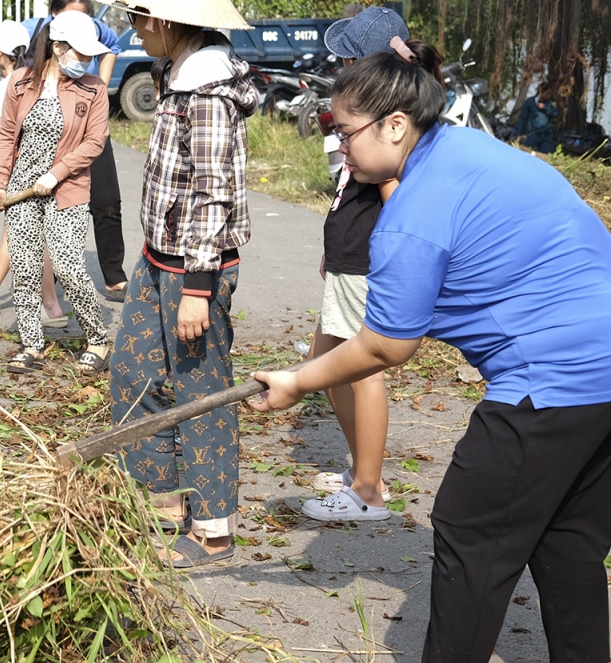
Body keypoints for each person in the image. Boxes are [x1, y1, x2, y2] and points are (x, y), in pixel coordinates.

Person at [250, 42, 611, 661]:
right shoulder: (475, 151)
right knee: (567, 541)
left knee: (471, 535)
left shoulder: (411, 215)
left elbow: (387, 345)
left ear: (395, 125)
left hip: (546, 385)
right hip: (601, 379)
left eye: (344, 131)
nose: (338, 145)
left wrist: (299, 382)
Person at [92, 0, 258, 568]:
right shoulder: (177, 74)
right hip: (158, 259)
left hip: (195, 269)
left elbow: (215, 192)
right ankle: (164, 497)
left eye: (137, 19)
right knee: (135, 371)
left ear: (161, 21)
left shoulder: (209, 92)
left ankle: (213, 528)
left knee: (199, 390)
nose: (134, 29)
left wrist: (197, 287)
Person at [300, 7, 418, 522]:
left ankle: (368, 490)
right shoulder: (370, 109)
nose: (340, 64)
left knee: (363, 371)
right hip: (347, 257)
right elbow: (347, 187)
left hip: (366, 263)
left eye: (347, 56)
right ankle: (361, 471)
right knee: (326, 368)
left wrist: (394, 261)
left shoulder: (388, 120)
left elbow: (398, 197)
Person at [0, 10, 112, 374]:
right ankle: (32, 345)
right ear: (57, 47)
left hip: (68, 188)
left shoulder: (94, 89)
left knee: (68, 266)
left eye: (90, 55)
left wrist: (55, 175)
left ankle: (98, 340)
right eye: (81, 53)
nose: (87, 61)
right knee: (24, 268)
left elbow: (94, 142)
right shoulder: (20, 83)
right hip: (21, 188)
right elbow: (8, 136)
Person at [24, 0, 129, 301]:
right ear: (54, 16)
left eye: (84, 18)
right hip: (51, 132)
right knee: (50, 206)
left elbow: (112, 48)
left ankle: (114, 277)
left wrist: (100, 87)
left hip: (89, 128)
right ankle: (45, 282)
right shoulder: (34, 32)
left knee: (106, 200)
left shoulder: (96, 29)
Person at [0, 20, 68, 330]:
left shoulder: (11, 84)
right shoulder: (39, 80)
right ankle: (2, 294)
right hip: (47, 172)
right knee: (32, 236)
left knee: (21, 236)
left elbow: (6, 141)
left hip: (22, 173)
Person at [514, 80, 560, 153]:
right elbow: (522, 118)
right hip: (533, 134)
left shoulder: (551, 103)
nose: (549, 95)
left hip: (546, 135)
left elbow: (556, 113)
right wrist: (518, 133)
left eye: (550, 94)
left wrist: (545, 108)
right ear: (541, 92)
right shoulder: (530, 102)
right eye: (547, 93)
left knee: (548, 154)